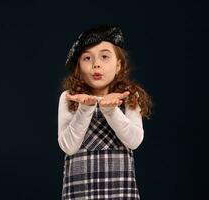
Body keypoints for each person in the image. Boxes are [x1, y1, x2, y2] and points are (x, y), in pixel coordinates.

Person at [57, 24, 152, 200]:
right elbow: (68, 146)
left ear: (118, 65)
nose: (96, 64)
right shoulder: (70, 98)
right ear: (78, 67)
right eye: (87, 58)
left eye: (105, 57)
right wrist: (85, 109)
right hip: (80, 194)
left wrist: (111, 111)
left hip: (121, 193)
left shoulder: (130, 96)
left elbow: (134, 141)